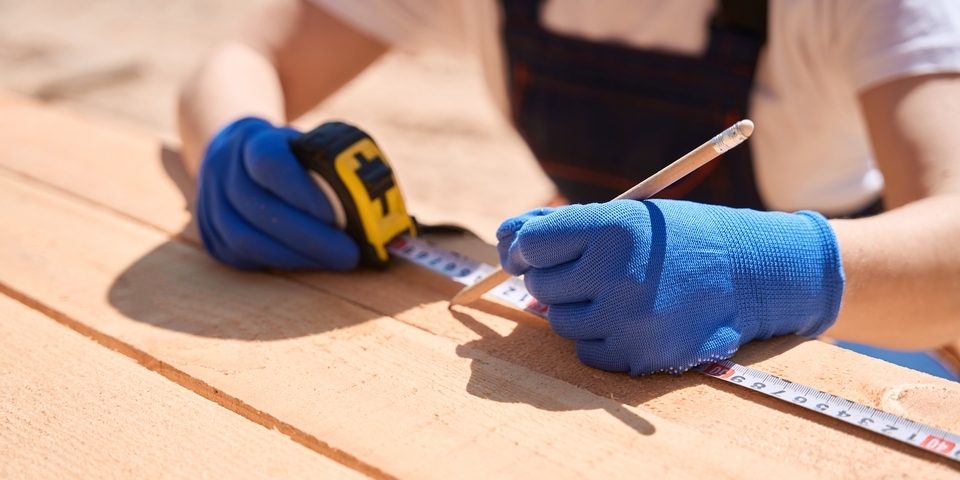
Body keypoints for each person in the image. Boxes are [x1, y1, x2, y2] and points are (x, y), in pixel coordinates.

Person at [178, 0, 960, 379]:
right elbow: (251, 56)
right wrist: (234, 146)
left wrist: (767, 270)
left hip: (864, 308)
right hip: (602, 306)